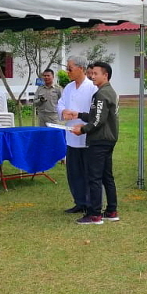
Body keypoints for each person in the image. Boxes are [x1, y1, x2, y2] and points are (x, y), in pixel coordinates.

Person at [66, 61, 119, 225]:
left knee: (94, 178)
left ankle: (94, 214)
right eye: (91, 73)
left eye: (96, 74)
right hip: (108, 139)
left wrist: (82, 130)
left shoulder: (101, 94)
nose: (92, 76)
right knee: (106, 176)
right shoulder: (110, 92)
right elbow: (97, 115)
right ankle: (111, 211)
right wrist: (80, 114)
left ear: (106, 75)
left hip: (99, 141)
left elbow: (97, 121)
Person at [57, 56, 96, 215]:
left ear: (81, 68)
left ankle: (91, 202)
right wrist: (63, 111)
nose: (67, 72)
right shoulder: (68, 87)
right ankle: (79, 201)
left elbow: (96, 113)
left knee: (88, 171)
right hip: (71, 135)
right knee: (73, 172)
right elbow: (61, 103)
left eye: (70, 68)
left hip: (87, 135)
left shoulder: (92, 87)